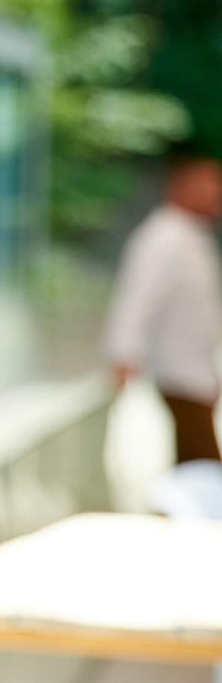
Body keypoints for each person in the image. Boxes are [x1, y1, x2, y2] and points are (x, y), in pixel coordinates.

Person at [105, 153, 222, 464]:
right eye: (207, 183)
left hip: (195, 373)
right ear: (179, 186)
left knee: (194, 465)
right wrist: (124, 354)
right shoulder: (162, 239)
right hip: (176, 375)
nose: (215, 191)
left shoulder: (192, 237)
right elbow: (137, 299)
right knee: (203, 469)